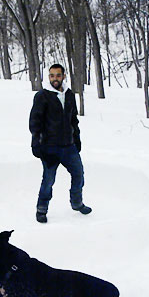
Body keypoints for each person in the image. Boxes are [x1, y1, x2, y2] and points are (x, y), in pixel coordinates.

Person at [29, 64, 92, 223]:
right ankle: (41, 209)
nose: (55, 79)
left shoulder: (70, 95)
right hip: (49, 148)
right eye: (52, 76)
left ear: (64, 76)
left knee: (79, 174)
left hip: (68, 147)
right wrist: (36, 144)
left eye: (58, 75)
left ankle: (77, 203)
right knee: (48, 180)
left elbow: (73, 120)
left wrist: (76, 139)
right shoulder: (42, 96)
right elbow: (35, 122)